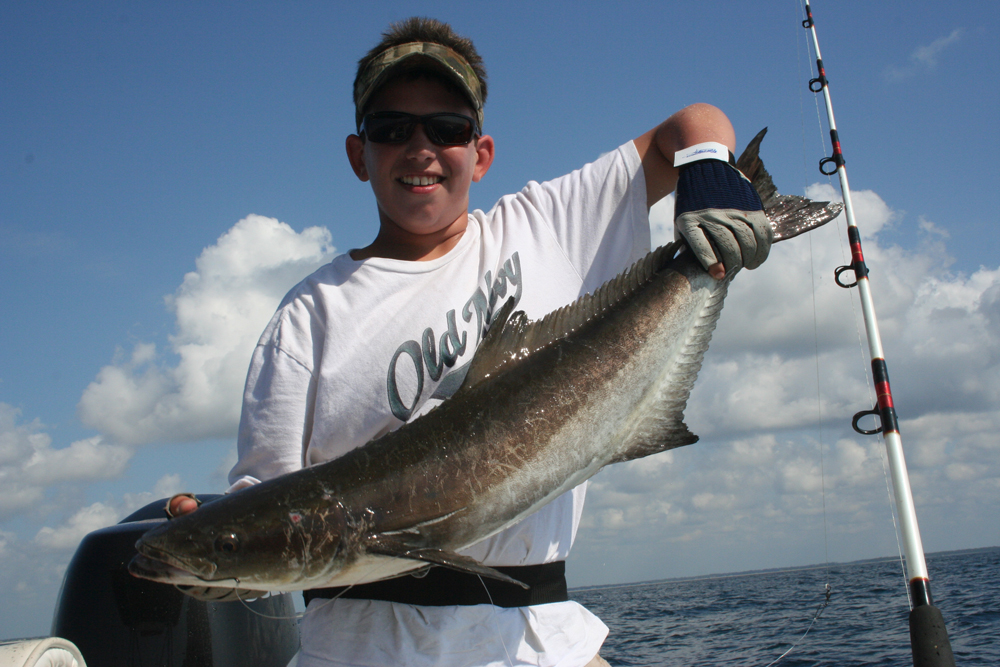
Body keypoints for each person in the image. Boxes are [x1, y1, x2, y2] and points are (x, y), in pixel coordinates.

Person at [168, 16, 770, 667]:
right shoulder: (308, 314)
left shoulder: (544, 224)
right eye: (391, 129)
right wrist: (214, 537)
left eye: (447, 129)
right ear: (357, 153)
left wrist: (709, 166)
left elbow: (693, 120)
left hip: (540, 641)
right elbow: (269, 497)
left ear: (480, 153)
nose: (420, 147)